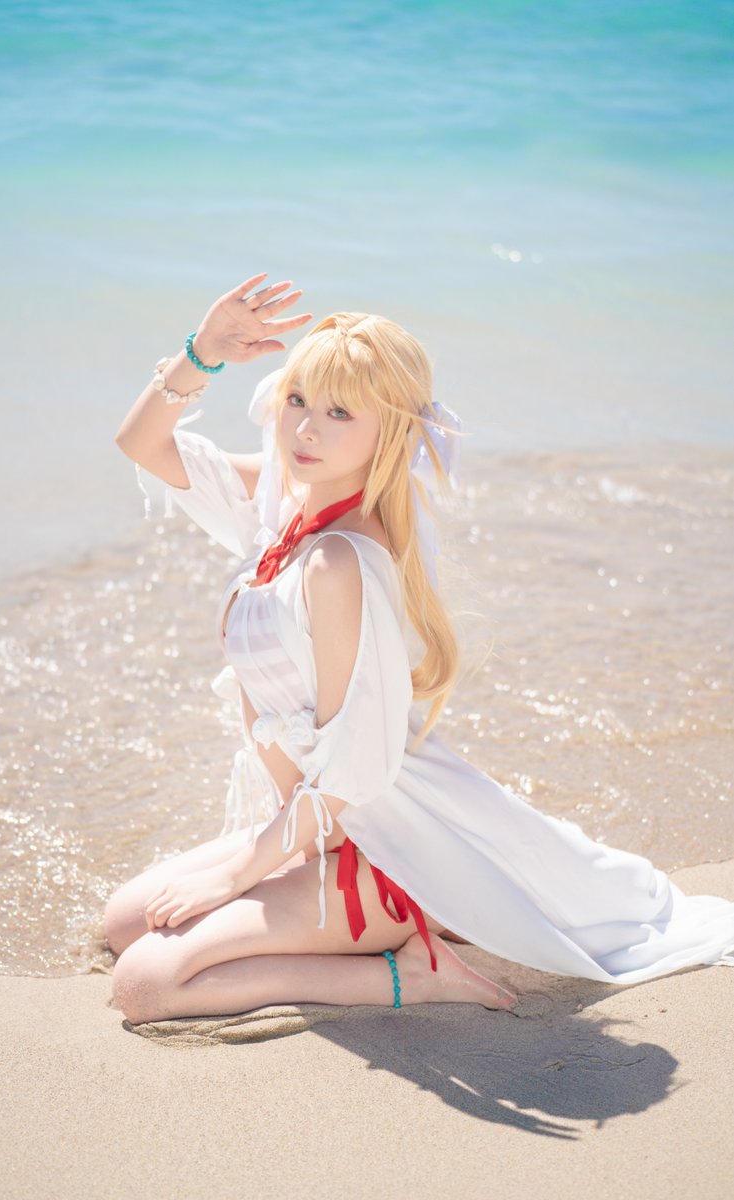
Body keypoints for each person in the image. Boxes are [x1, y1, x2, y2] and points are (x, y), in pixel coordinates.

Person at [106, 273, 734, 1026]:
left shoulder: (341, 564)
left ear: (390, 434)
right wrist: (203, 350)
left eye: (340, 412)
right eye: (299, 400)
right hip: (317, 833)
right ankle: (354, 913)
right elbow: (143, 443)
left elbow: (355, 770)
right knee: (123, 922)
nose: (305, 430)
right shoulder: (286, 502)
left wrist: (238, 872)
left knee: (145, 984)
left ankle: (413, 970)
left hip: (388, 850)